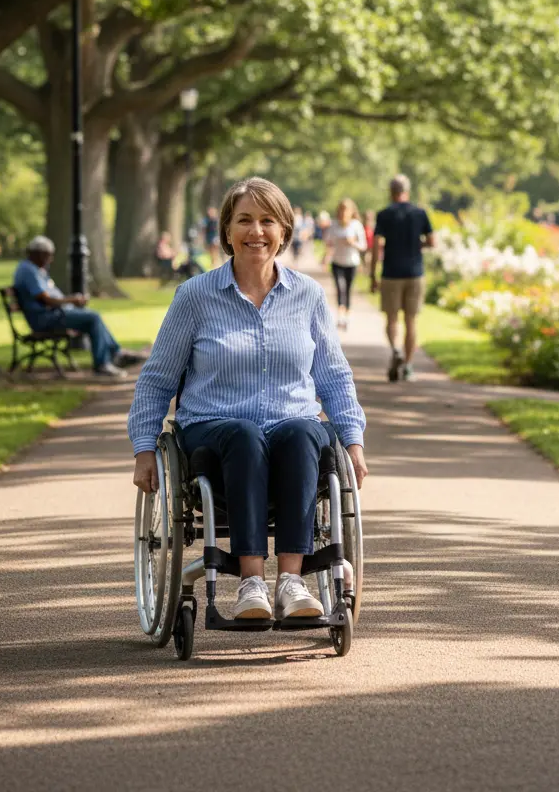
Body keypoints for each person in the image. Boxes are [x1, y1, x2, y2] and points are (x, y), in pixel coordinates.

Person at [128, 177, 368, 622]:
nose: (256, 231)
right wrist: (144, 447)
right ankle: (251, 583)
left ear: (284, 231)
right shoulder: (195, 297)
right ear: (227, 230)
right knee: (244, 434)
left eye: (267, 220)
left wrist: (353, 442)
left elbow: (335, 376)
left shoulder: (308, 296)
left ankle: (292, 581)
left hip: (291, 428)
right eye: (244, 220)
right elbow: (157, 379)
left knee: (302, 432)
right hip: (214, 431)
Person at [13, 237, 138, 378]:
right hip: (46, 319)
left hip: (54, 314)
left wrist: (70, 301)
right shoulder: (28, 271)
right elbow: (46, 299)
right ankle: (105, 362)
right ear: (38, 253)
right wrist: (72, 300)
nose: (50, 260)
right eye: (48, 255)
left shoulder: (34, 269)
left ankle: (114, 355)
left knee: (91, 317)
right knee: (93, 318)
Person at [369, 174, 434, 382]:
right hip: (415, 273)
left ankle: (395, 350)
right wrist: (416, 244)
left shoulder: (384, 215)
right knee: (411, 320)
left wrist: (372, 274)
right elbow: (431, 242)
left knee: (392, 319)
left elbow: (376, 245)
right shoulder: (420, 213)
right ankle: (408, 365)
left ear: (391, 192)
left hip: (391, 273)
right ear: (407, 190)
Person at [324, 198, 368, 330]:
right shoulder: (334, 225)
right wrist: (326, 257)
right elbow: (328, 242)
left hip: (351, 263)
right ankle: (340, 316)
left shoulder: (356, 225)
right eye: (341, 210)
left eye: (346, 210)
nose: (343, 213)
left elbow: (363, 246)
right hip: (337, 262)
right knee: (339, 288)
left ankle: (347, 317)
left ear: (351, 212)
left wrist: (352, 243)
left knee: (348, 290)